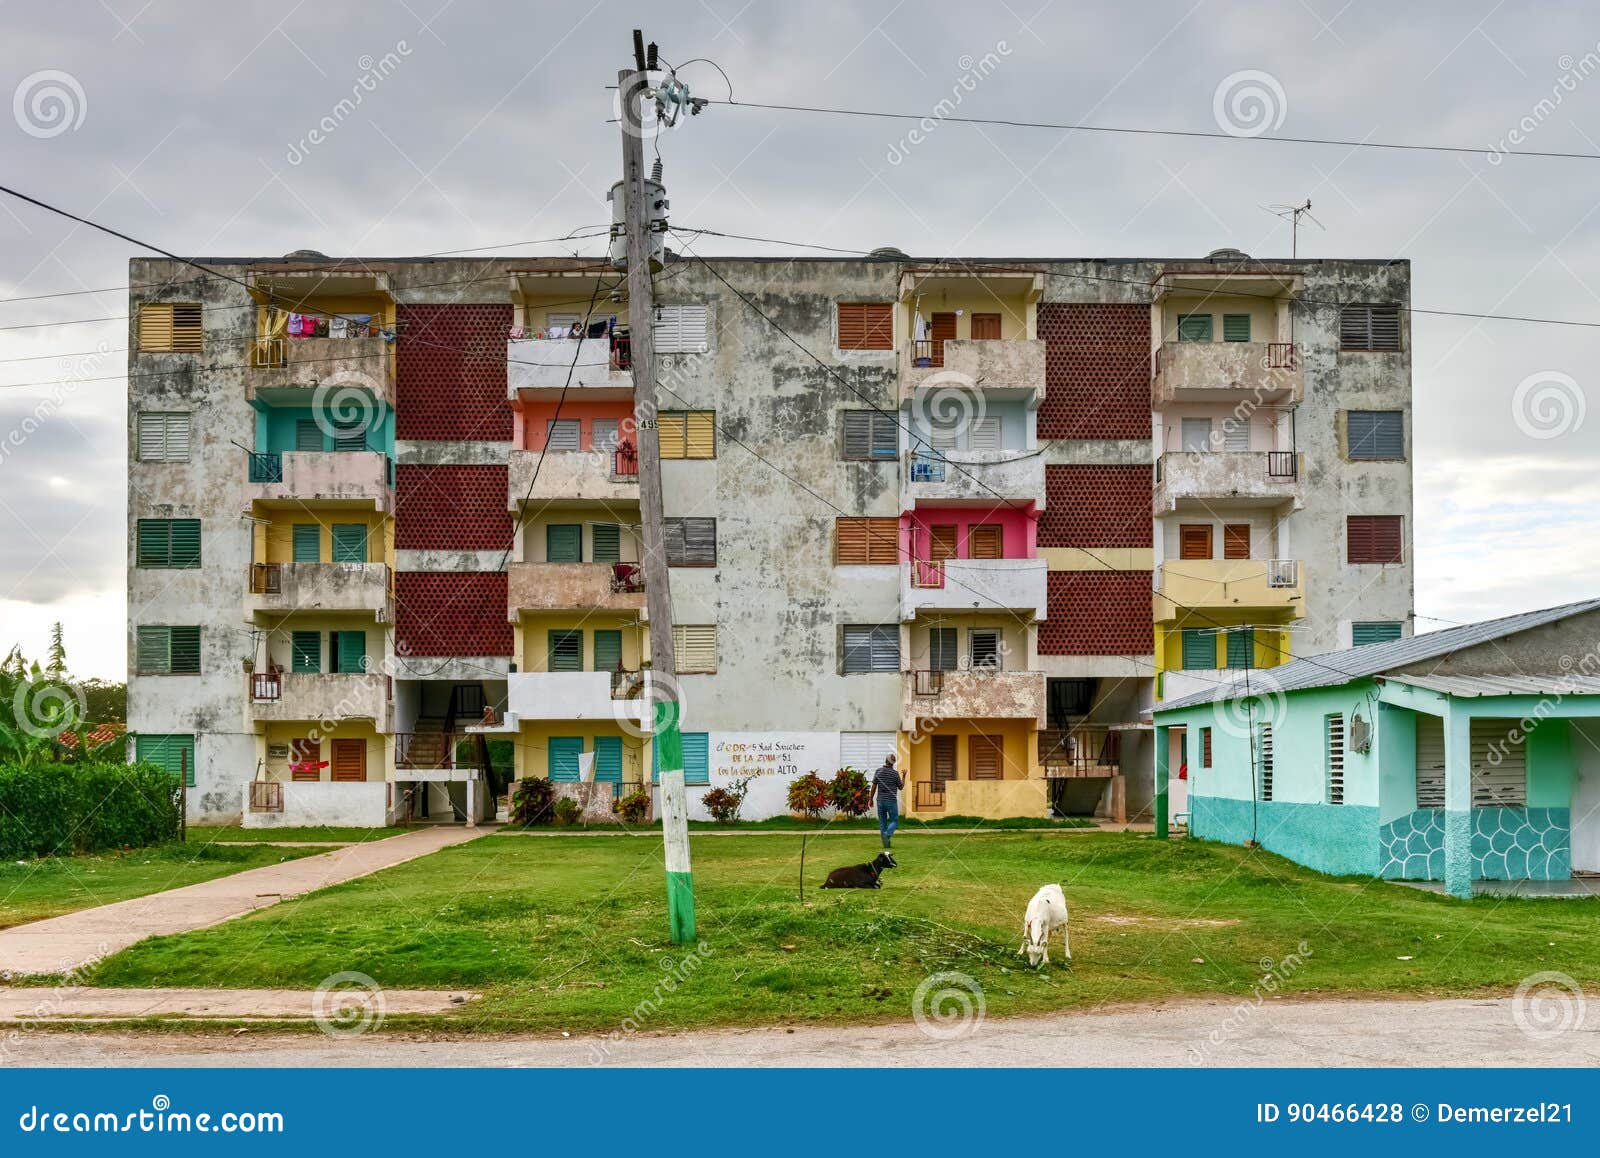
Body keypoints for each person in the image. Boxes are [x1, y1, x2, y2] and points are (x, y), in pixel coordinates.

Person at [869, 753, 902, 851]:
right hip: (891, 800)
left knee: (882, 822)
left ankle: (886, 844)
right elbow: (901, 787)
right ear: (893, 763)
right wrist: (904, 776)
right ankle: (887, 835)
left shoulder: (878, 771)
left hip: (880, 800)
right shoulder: (895, 774)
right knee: (895, 820)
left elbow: (874, 786)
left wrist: (870, 799)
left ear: (885, 761)